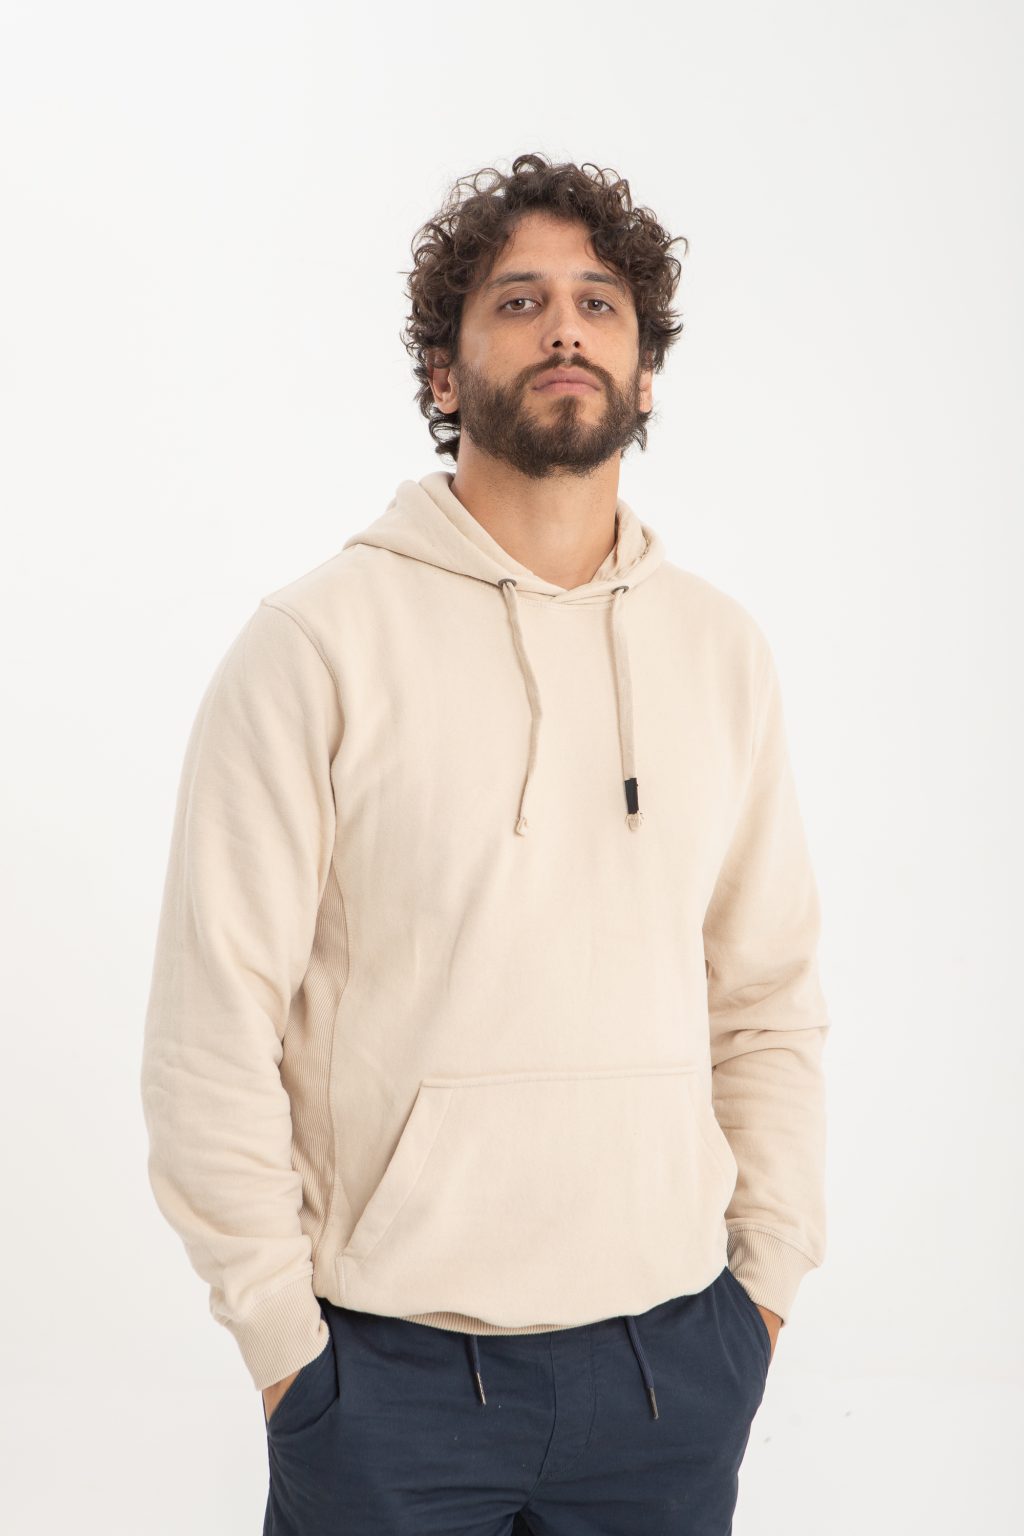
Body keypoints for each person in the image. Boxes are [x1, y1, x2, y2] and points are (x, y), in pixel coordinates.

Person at [140, 151, 830, 1535]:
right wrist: (285, 1354)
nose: (565, 327)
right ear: (443, 375)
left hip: (671, 1371)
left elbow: (765, 998)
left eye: (599, 302)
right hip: (388, 1379)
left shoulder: (719, 653)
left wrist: (762, 1289)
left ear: (646, 375)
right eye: (519, 301)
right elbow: (211, 1032)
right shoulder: (316, 645)